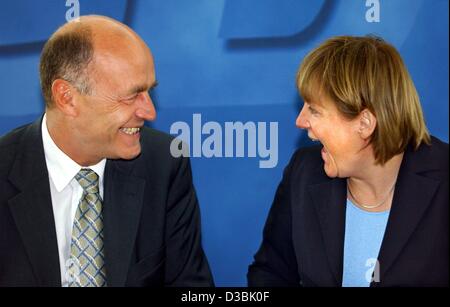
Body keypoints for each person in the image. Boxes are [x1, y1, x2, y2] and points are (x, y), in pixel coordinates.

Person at [0, 15, 213, 287]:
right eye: (131, 95)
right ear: (67, 98)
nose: (149, 111)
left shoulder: (164, 163)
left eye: (149, 91)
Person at [248, 36, 448, 287]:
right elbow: (271, 272)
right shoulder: (304, 171)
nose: (300, 121)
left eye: (315, 110)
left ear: (365, 123)